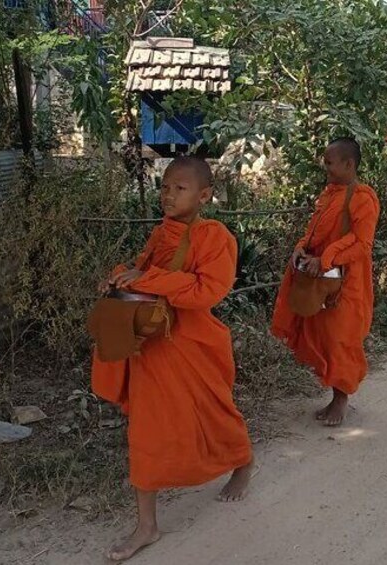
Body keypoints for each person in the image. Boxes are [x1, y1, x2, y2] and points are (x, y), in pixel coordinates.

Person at [91, 156, 254, 562]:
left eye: (179, 188)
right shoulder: (161, 233)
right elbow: (142, 271)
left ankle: (243, 462)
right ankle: (147, 526)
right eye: (164, 186)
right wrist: (121, 275)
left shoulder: (216, 237)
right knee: (146, 431)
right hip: (152, 344)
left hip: (192, 344)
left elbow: (206, 292)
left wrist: (145, 279)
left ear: (204, 195)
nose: (168, 194)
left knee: (213, 412)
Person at [271, 138, 380, 427]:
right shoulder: (330, 195)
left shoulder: (362, 199)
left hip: (346, 282)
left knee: (341, 339)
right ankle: (334, 394)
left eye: (331, 162)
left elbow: (362, 245)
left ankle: (341, 400)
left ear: (349, 164)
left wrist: (329, 257)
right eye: (326, 161)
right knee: (322, 335)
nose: (326, 168)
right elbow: (314, 231)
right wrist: (302, 247)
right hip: (321, 278)